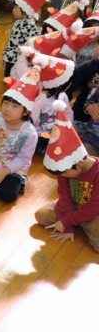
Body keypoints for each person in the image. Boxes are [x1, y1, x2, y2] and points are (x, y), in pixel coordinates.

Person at [35, 100, 99, 252]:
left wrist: (66, 221)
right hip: (76, 204)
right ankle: (80, 222)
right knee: (41, 216)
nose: (62, 176)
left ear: (80, 163)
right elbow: (65, 197)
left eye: (64, 173)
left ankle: (81, 221)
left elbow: (94, 207)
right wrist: (67, 227)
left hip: (95, 211)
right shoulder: (64, 168)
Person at [2, 3, 41, 77]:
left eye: (15, 8)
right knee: (8, 78)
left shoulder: (30, 26)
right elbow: (11, 42)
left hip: (18, 61)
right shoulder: (17, 22)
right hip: (10, 59)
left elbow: (29, 47)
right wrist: (5, 57)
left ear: (25, 11)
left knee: (15, 79)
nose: (13, 10)